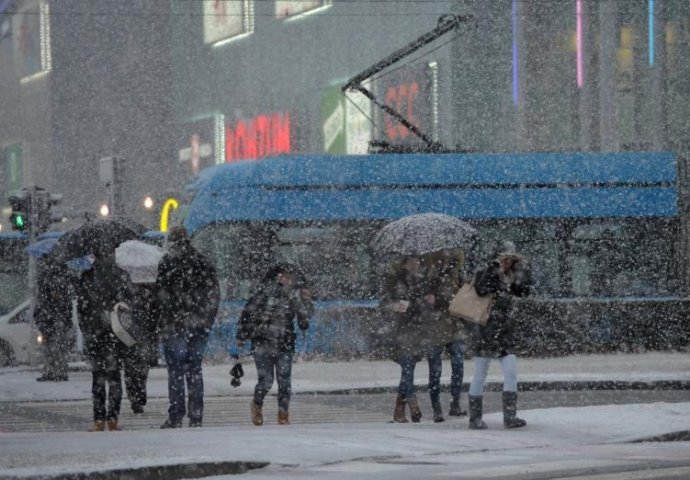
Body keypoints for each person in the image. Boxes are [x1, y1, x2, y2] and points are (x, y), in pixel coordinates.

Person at [380, 252, 458, 423]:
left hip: (418, 330)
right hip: (400, 331)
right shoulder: (395, 279)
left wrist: (430, 300)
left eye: (419, 261)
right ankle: (413, 402)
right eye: (415, 260)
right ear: (407, 261)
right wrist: (397, 305)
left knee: (409, 369)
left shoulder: (424, 280)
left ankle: (399, 410)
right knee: (407, 366)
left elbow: (427, 304)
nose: (418, 264)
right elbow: (385, 303)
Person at [155, 225, 220, 429]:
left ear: (172, 242)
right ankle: (196, 415)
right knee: (194, 369)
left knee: (176, 371)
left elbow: (160, 296)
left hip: (175, 324)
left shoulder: (167, 262)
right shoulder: (202, 261)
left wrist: (162, 321)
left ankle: (176, 415)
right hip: (199, 324)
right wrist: (206, 319)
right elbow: (214, 294)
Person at [466, 240, 533, 429]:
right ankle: (475, 418)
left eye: (510, 259)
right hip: (485, 330)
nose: (507, 263)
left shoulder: (512, 276)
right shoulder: (486, 272)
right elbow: (481, 288)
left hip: (505, 331)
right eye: (503, 259)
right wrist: (494, 268)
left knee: (511, 373)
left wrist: (522, 272)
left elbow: (525, 291)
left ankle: (510, 417)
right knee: (480, 374)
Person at [236, 263, 314, 426]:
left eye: (290, 277)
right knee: (266, 381)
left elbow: (304, 319)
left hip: (284, 343)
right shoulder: (263, 292)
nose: (288, 280)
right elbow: (248, 312)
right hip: (263, 342)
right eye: (285, 276)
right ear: (277, 277)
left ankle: (283, 412)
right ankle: (257, 404)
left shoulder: (294, 295)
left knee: (284, 381)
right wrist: (242, 334)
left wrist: (306, 301)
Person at [77, 250, 136, 432]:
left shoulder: (88, 277)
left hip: (96, 333)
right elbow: (130, 305)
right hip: (116, 332)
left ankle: (99, 419)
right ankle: (113, 418)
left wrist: (87, 330)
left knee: (98, 378)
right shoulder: (122, 275)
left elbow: (82, 308)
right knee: (114, 376)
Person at [425, 250, 468, 422]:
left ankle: (455, 403)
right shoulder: (428, 275)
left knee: (458, 363)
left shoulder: (458, 273)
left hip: (454, 324)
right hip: (435, 326)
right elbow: (422, 300)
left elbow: (466, 294)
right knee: (435, 369)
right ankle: (436, 408)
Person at [122, 282, 158, 414]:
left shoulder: (151, 292)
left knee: (139, 368)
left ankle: (137, 396)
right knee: (135, 368)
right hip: (133, 334)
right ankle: (136, 397)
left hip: (140, 334)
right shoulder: (128, 290)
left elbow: (155, 313)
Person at [35, 261, 74, 382]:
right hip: (54, 321)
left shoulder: (51, 284)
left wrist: (40, 316)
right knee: (56, 348)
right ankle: (57, 371)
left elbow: (44, 303)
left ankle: (53, 372)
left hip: (52, 321)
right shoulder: (58, 282)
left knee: (53, 348)